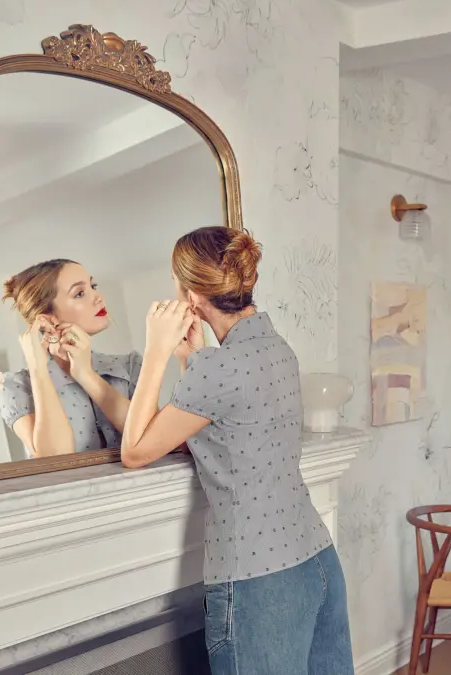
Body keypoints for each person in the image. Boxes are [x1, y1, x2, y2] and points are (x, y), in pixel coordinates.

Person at [120, 227, 353, 675]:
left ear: (190, 293)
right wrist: (191, 358)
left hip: (260, 580)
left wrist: (155, 353)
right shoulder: (277, 348)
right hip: (317, 562)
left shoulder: (219, 368)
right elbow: (225, 429)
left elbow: (135, 451)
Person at [0, 259, 142, 458]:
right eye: (80, 293)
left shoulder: (129, 366)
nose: (98, 297)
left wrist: (85, 374)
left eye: (93, 286)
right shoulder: (17, 387)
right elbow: (55, 458)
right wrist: (38, 368)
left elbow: (151, 439)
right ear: (48, 319)